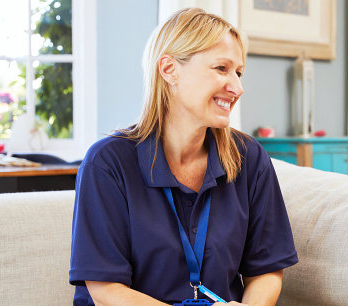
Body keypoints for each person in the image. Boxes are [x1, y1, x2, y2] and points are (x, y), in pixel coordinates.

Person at [69, 8, 298, 305]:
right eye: (221, 68)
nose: (237, 87)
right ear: (169, 69)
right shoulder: (107, 163)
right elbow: (106, 291)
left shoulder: (249, 158)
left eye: (238, 72)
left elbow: (266, 271)